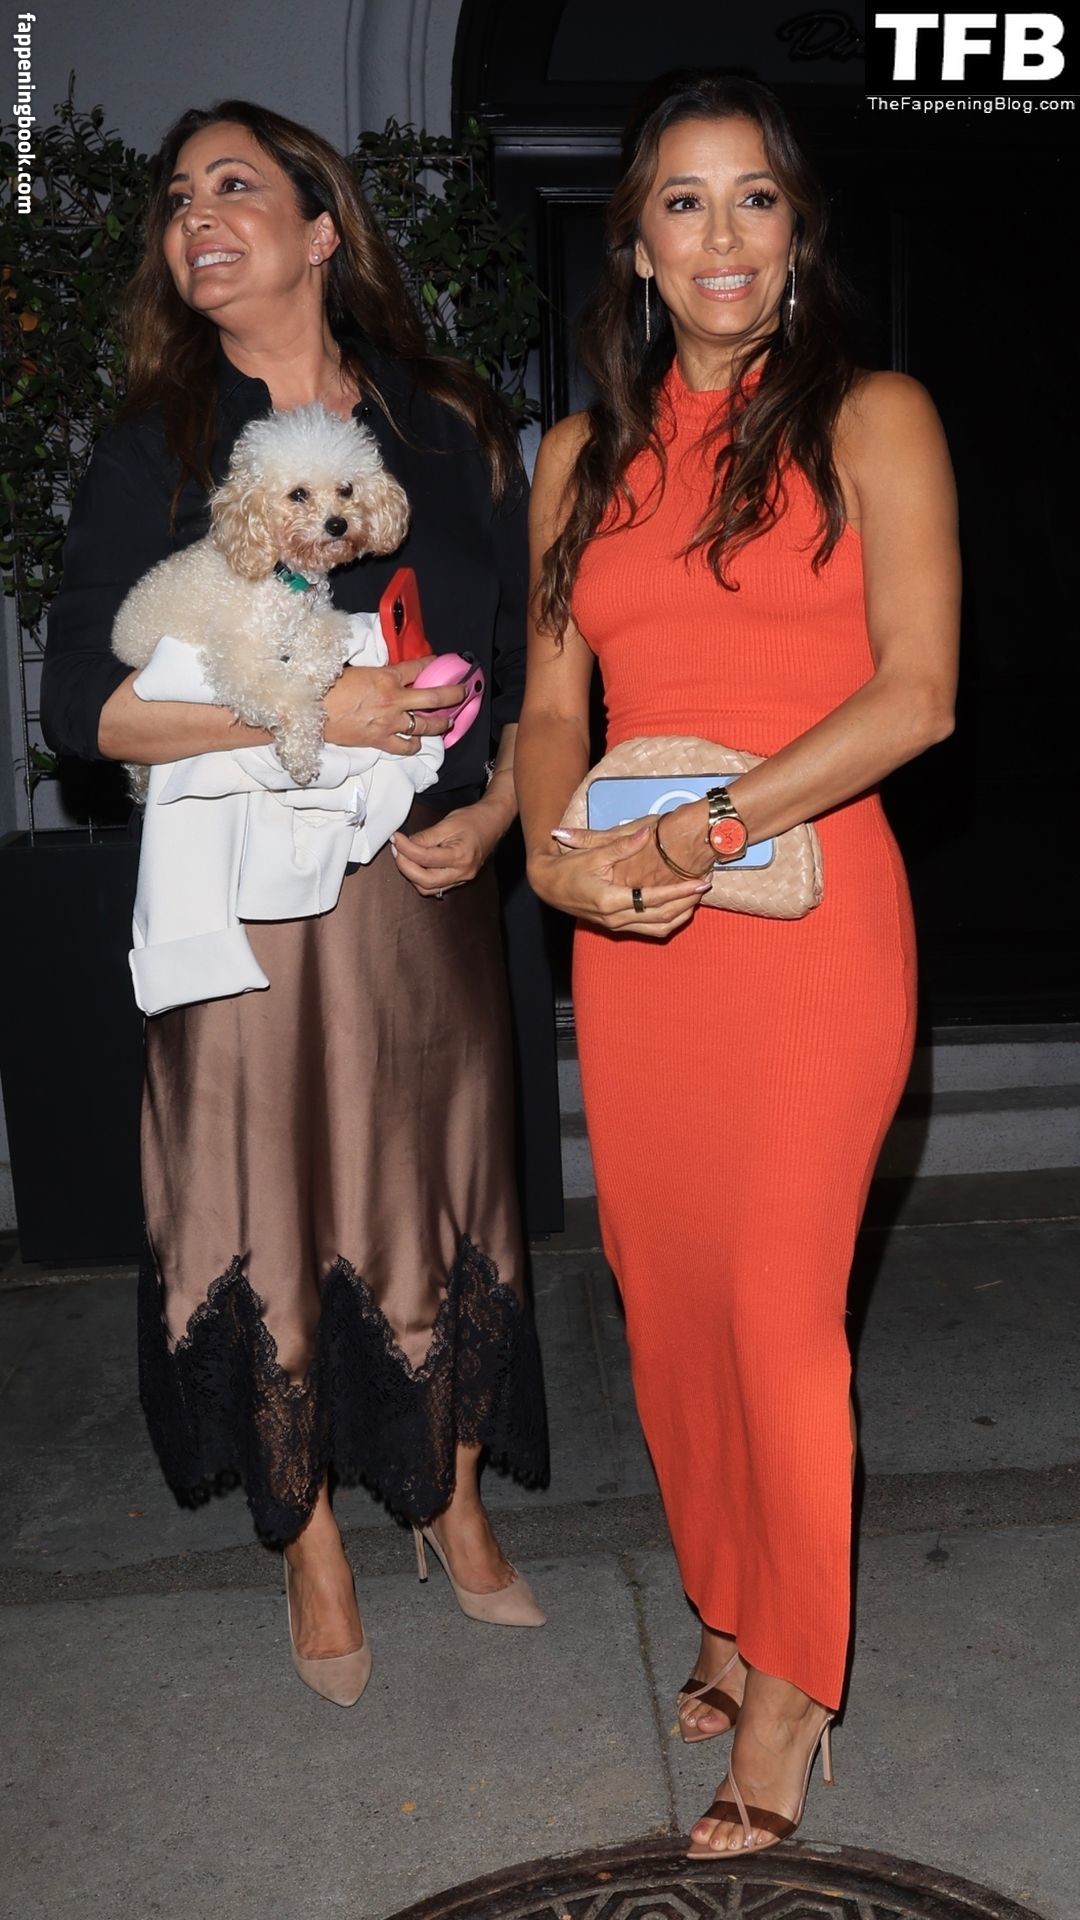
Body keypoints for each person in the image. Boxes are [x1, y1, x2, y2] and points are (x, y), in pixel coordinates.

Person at [41, 99, 550, 1706]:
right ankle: (310, 1534)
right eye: (177, 197)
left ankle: (450, 1497)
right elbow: (82, 710)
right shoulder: (155, 448)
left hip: (420, 887)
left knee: (438, 1188)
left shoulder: (449, 426)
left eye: (235, 186)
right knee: (258, 1196)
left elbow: (529, 667)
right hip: (242, 906)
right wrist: (304, 713)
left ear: (322, 230)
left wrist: (507, 813)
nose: (196, 215)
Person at [516, 71, 958, 1852]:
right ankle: (723, 1593)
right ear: (635, 244)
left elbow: (916, 696)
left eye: (754, 199)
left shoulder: (875, 416)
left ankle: (790, 1683)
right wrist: (561, 862)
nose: (720, 236)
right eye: (682, 203)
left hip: (812, 919)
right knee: (675, 1305)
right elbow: (554, 709)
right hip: (635, 938)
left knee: (777, 1311)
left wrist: (700, 833)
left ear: (798, 233)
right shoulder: (578, 460)